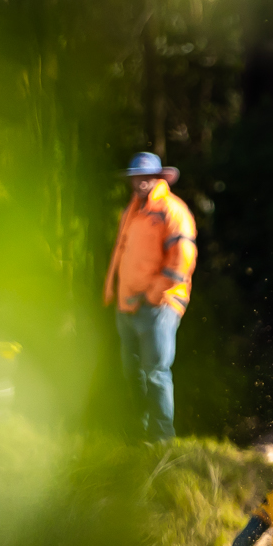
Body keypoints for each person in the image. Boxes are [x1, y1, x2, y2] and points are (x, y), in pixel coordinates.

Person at [103, 152, 197, 443]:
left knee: (156, 372)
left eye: (147, 176)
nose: (141, 181)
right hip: (127, 306)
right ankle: (137, 437)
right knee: (133, 373)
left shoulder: (172, 210)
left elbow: (182, 258)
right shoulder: (131, 211)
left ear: (158, 178)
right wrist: (114, 292)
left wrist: (152, 296)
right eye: (137, 176)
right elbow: (121, 253)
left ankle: (161, 439)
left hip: (159, 306)